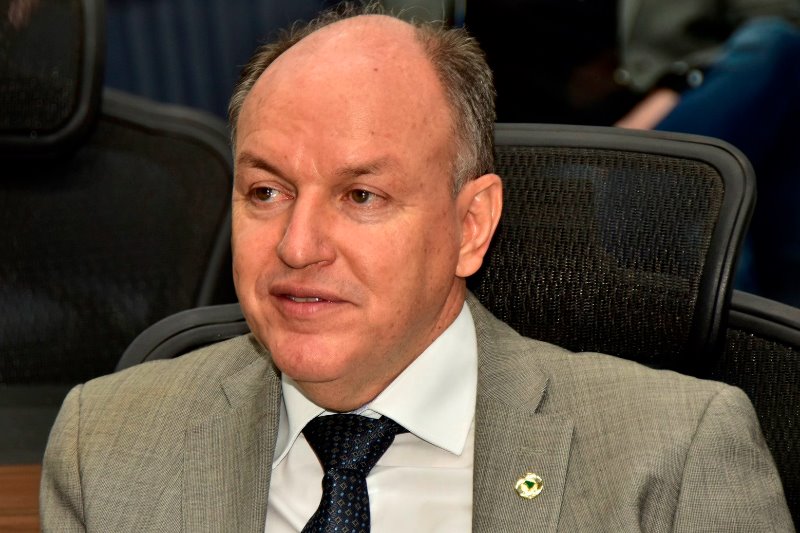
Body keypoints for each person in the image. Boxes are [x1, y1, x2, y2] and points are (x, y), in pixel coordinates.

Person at [40, 3, 793, 531]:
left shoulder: (672, 458)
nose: (298, 246)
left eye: (361, 196)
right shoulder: (104, 445)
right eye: (266, 192)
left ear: (471, 226)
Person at [465, 0, 800, 306]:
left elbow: (778, 19)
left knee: (775, 45)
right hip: (525, 146)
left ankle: (648, 192)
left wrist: (676, 84)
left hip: (676, 119)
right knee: (710, 210)